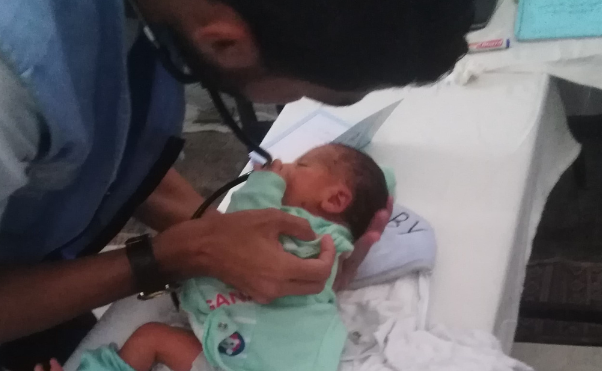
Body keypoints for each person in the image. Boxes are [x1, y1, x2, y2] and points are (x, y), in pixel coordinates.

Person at [0, 0, 473, 369]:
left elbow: (87, 149)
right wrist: (179, 253)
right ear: (226, 44)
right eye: (328, 93)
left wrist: (229, 242)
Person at [42, 144, 389, 371]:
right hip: (245, 357)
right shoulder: (329, 248)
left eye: (302, 164)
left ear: (335, 200)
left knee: (151, 337)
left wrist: (264, 182)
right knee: (153, 337)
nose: (285, 165)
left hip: (255, 360)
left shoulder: (307, 231)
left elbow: (243, 219)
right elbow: (372, 183)